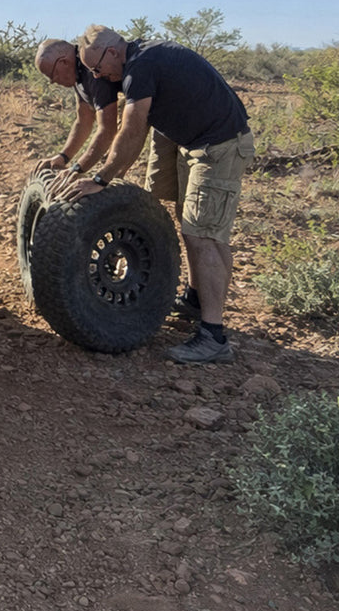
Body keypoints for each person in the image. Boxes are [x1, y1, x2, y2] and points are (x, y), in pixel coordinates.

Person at [61, 25, 255, 364]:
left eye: (98, 68)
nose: (98, 76)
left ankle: (213, 337)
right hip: (193, 141)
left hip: (220, 146)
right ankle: (195, 300)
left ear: (113, 52)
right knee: (192, 225)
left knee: (204, 235)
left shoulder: (142, 66)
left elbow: (132, 129)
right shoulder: (136, 60)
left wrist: (101, 179)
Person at [32, 39, 120, 198]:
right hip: (147, 110)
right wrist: (63, 157)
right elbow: (84, 120)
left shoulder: (91, 69)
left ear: (63, 62)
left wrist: (78, 169)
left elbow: (108, 129)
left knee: (118, 180)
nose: (53, 82)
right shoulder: (77, 73)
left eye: (51, 75)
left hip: (158, 107)